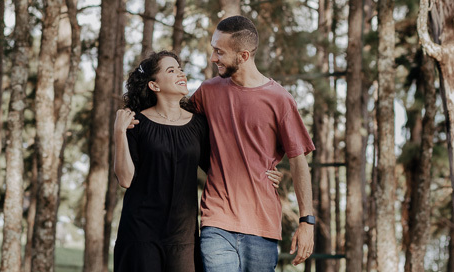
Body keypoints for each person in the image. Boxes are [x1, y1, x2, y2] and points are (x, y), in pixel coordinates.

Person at [112, 50, 281, 272]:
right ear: (154, 85)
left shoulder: (198, 125)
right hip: (140, 234)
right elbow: (125, 179)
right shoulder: (137, 123)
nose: (181, 74)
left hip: (184, 238)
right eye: (171, 70)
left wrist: (263, 174)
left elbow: (222, 166)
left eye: (180, 69)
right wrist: (119, 132)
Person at [190, 15, 316, 271]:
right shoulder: (207, 92)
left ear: (243, 56)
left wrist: (307, 222)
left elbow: (298, 160)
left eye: (219, 52)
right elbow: (175, 122)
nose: (213, 58)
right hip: (217, 221)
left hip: (262, 225)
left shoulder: (279, 99)